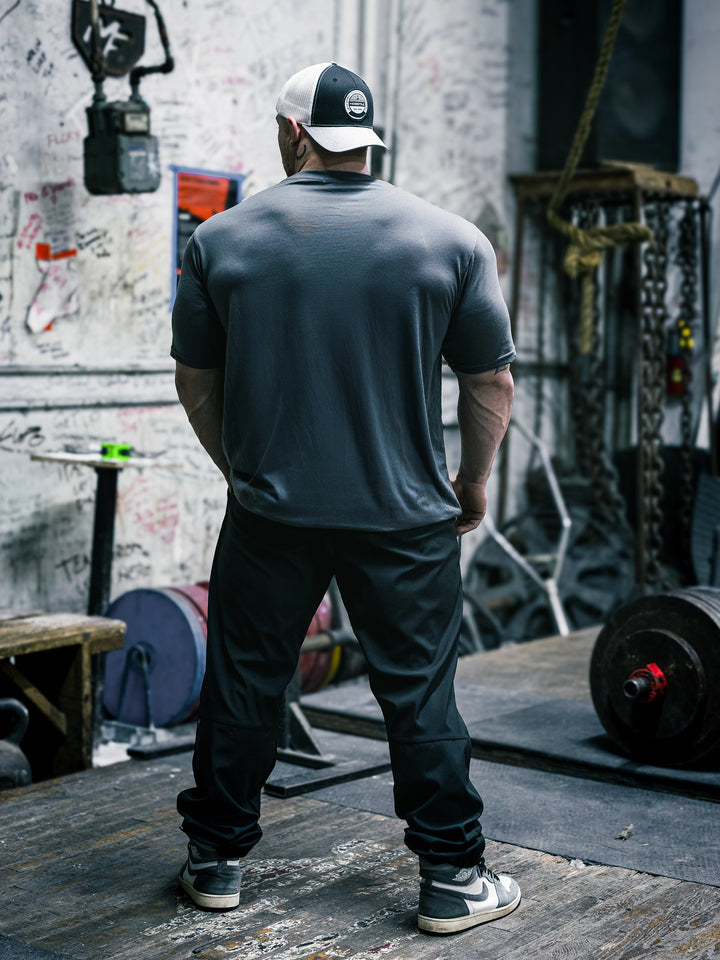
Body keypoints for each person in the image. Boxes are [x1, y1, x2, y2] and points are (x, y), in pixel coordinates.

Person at [171, 61, 518, 935]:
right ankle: (450, 876)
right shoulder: (451, 240)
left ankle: (215, 861)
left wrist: (239, 471)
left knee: (245, 683)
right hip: (404, 518)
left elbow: (196, 384)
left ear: (293, 134)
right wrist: (470, 481)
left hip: (271, 513)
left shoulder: (221, 239)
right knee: (419, 693)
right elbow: (491, 385)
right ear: (369, 141)